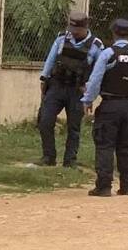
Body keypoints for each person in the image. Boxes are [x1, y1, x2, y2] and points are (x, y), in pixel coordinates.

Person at [82, 18, 128, 197]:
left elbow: (95, 80)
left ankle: (104, 186)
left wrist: (88, 100)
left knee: (105, 145)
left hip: (111, 105)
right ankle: (127, 186)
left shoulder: (108, 54)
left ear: (113, 33)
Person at [36, 10, 104, 167]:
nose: (73, 33)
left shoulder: (96, 46)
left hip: (78, 90)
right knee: (45, 121)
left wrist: (90, 95)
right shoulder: (61, 38)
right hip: (57, 86)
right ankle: (48, 156)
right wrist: (44, 79)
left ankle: (70, 160)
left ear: (85, 28)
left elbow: (98, 72)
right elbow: (51, 59)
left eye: (76, 30)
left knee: (74, 127)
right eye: (71, 29)